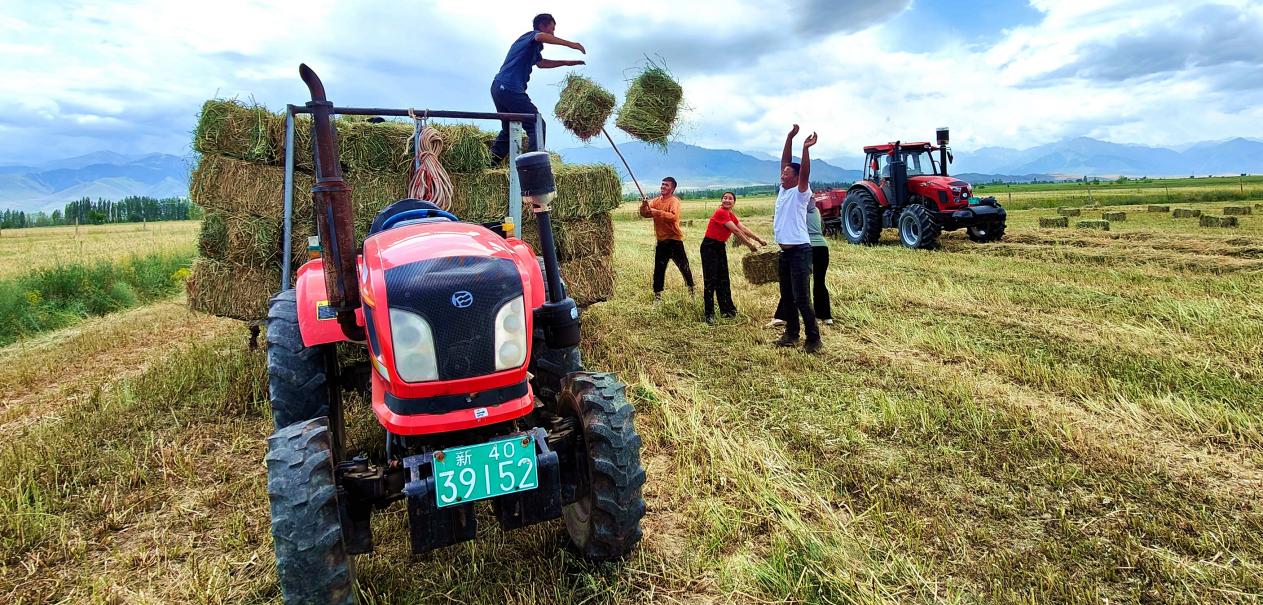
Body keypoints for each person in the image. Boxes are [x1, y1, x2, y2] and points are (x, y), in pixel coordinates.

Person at [490, 14, 586, 164]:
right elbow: (540, 36)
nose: (553, 33)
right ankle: (532, 167)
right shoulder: (531, 36)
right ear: (542, 25)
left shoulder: (532, 48)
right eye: (552, 29)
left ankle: (490, 164)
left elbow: (541, 63)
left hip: (499, 88)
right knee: (536, 122)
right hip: (510, 88)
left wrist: (566, 62)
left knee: (509, 129)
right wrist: (572, 44)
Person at [771, 124, 821, 353]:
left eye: (786, 173)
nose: (782, 174)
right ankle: (791, 334)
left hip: (801, 251)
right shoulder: (783, 189)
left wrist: (806, 149)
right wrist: (789, 137)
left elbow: (805, 172)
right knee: (787, 296)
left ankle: (814, 339)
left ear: (796, 177)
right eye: (783, 172)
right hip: (785, 253)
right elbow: (784, 161)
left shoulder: (801, 193)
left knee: (802, 298)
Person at [700, 192, 767, 323]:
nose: (727, 200)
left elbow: (742, 228)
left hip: (719, 246)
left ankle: (728, 310)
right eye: (725, 198)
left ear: (734, 203)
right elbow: (736, 231)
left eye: (730, 198)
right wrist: (750, 246)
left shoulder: (730, 214)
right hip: (709, 247)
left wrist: (759, 239)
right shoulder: (721, 212)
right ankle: (709, 314)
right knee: (711, 280)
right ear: (721, 201)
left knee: (724, 279)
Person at [770, 203, 833, 326]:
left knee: (793, 283)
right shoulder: (816, 211)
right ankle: (825, 316)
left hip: (805, 247)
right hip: (822, 247)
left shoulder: (797, 210)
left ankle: (782, 317)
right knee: (820, 282)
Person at [640, 177, 694, 300]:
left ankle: (691, 290)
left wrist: (657, 212)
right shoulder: (655, 201)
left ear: (673, 189)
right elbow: (645, 214)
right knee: (659, 269)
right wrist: (644, 205)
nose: (663, 186)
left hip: (674, 240)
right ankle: (657, 296)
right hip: (661, 241)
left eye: (667, 185)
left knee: (684, 267)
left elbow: (673, 217)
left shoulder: (674, 201)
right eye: (662, 184)